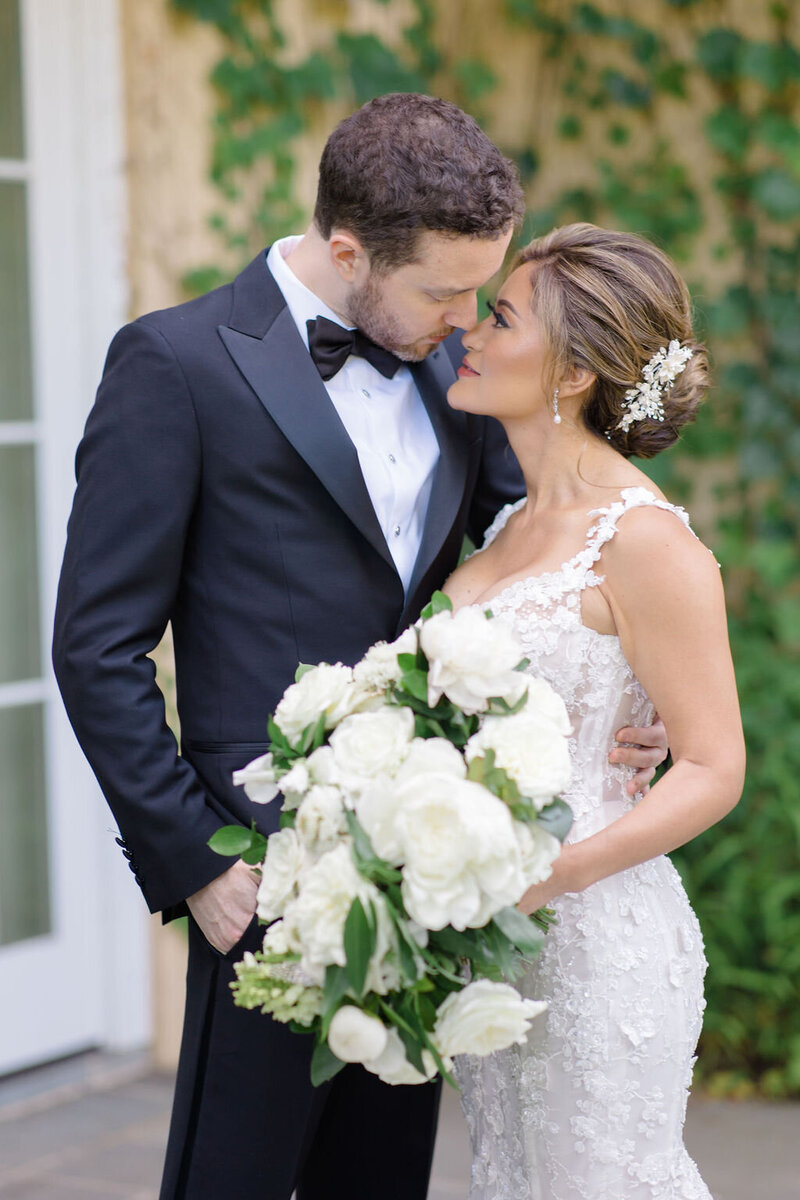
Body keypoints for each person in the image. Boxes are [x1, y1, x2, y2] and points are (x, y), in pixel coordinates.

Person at [52, 97, 666, 1200]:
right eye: (440, 290)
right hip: (267, 882)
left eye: (478, 289)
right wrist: (198, 864)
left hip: (437, 875)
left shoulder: (454, 369)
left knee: (381, 1182)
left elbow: (530, 546)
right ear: (347, 252)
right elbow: (95, 646)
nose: (465, 315)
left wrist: (642, 676)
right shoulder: (174, 365)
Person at [444, 222, 746, 1199]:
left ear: (571, 372)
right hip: (494, 938)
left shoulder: (644, 539)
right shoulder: (506, 518)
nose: (471, 332)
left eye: (499, 316)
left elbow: (710, 767)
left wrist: (548, 876)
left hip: (593, 938)